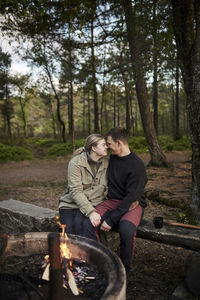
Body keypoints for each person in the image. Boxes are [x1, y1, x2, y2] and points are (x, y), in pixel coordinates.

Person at [83, 128, 147, 273]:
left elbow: (131, 198)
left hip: (132, 203)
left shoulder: (137, 166)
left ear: (119, 143)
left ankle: (125, 269)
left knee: (126, 229)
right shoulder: (112, 158)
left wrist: (111, 220)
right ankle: (98, 260)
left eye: (110, 143)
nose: (107, 146)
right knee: (88, 222)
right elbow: (90, 156)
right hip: (112, 201)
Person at [59, 134, 108, 235]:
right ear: (94, 148)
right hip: (70, 204)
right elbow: (75, 191)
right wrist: (91, 212)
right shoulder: (75, 163)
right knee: (68, 235)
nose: (106, 147)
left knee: (81, 228)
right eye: (103, 145)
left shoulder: (107, 163)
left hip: (94, 203)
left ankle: (91, 251)